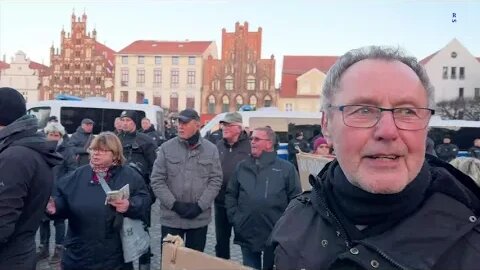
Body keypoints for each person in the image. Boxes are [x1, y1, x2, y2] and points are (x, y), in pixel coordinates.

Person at [269, 46, 480, 269]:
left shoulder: (472, 245)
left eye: (407, 111)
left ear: (426, 125)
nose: (387, 131)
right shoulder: (295, 218)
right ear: (326, 125)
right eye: (363, 110)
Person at [46, 132, 151, 270]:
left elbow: (145, 200)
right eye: (93, 149)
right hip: (78, 251)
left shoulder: (129, 175)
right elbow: (64, 199)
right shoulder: (79, 174)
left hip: (114, 254)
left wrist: (129, 205)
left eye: (102, 150)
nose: (96, 153)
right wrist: (56, 207)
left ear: (115, 154)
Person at [0, 87, 62, 270]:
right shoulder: (25, 149)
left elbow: (3, 217)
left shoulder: (15, 156)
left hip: (8, 258)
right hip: (20, 252)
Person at [225, 127, 301, 270]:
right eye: (251, 139)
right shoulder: (242, 167)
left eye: (257, 139)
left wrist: (286, 227)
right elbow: (231, 194)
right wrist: (235, 218)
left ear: (269, 143)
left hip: (274, 234)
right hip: (246, 230)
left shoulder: (286, 169)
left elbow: (296, 200)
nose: (252, 142)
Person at [150, 108, 222, 252]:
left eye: (185, 123)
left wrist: (200, 206)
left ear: (197, 125)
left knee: (193, 264)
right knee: (171, 263)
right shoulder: (166, 148)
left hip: (198, 219)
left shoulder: (211, 149)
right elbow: (157, 180)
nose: (180, 126)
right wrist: (174, 204)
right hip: (172, 218)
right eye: (179, 122)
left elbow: (215, 180)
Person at [117, 110, 157, 270]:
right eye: (123, 120)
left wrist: (151, 194)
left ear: (135, 122)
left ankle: (144, 265)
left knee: (142, 231)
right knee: (119, 231)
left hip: (141, 194)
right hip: (119, 194)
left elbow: (156, 168)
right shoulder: (116, 140)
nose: (125, 123)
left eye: (128, 120)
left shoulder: (145, 141)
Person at [37, 122, 77, 263]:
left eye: (57, 135)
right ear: (46, 135)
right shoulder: (41, 149)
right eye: (51, 134)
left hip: (59, 192)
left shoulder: (67, 150)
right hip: (43, 191)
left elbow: (72, 170)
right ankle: (43, 248)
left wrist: (62, 186)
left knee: (59, 222)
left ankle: (59, 249)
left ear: (61, 136)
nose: (54, 137)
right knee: (42, 221)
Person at [214, 112, 251, 259]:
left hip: (242, 204)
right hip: (220, 202)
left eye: (228, 125)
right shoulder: (218, 146)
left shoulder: (249, 146)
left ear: (238, 128)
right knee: (221, 242)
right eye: (223, 125)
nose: (224, 128)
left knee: (246, 242)